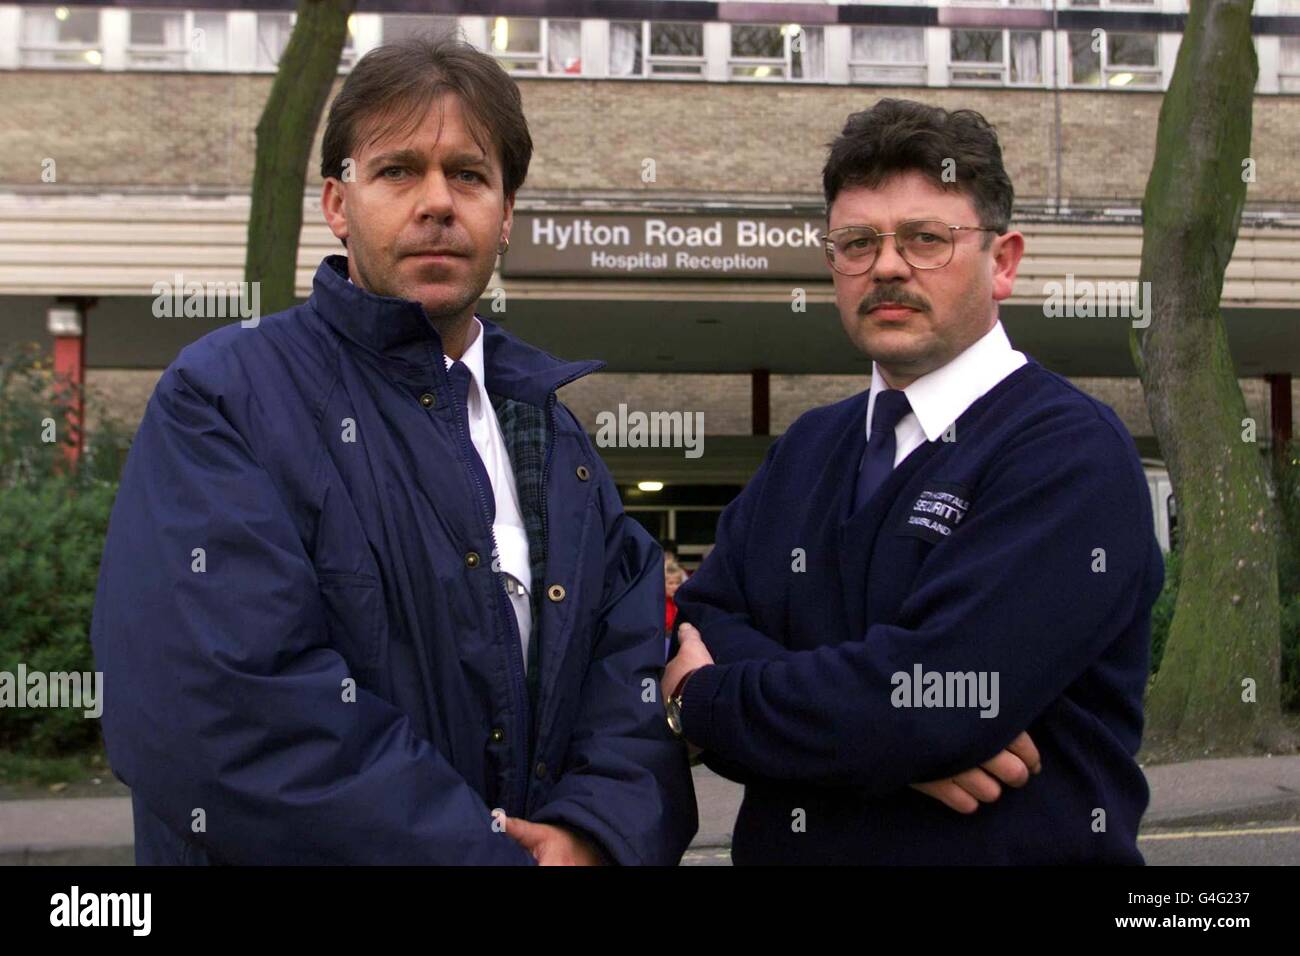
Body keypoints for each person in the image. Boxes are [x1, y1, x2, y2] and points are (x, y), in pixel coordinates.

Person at [90, 36, 697, 865]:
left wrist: (592, 836)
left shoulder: (552, 439)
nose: (437, 202)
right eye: (399, 170)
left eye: (470, 176)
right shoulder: (223, 398)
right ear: (339, 204)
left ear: (507, 215)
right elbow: (217, 712)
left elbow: (626, 674)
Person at [663, 99, 1163, 864]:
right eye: (857, 242)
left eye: (927, 239)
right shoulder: (807, 449)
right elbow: (699, 617)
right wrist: (887, 735)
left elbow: (941, 699)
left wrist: (701, 702)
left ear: (1003, 262)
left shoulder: (1068, 453)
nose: (887, 266)